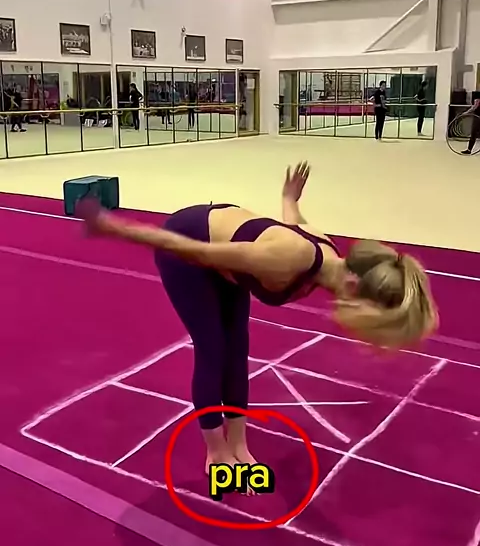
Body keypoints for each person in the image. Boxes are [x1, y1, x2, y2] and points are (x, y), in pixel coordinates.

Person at [77, 162, 437, 483]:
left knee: (237, 349)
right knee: (213, 348)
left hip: (229, 259)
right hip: (188, 242)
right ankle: (217, 452)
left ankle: (238, 444)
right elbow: (196, 251)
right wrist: (117, 228)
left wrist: (289, 198)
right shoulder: (286, 260)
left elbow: (293, 221)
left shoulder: (328, 257)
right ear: (354, 287)